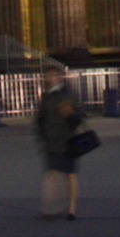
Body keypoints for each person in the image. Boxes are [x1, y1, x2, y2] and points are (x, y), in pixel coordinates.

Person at [34, 61, 84, 220]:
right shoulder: (46, 96)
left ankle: (71, 210)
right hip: (52, 140)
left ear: (58, 77)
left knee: (70, 175)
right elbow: (41, 118)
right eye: (47, 76)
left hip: (68, 139)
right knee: (51, 174)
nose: (49, 78)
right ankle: (50, 207)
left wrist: (70, 114)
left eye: (52, 76)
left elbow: (79, 114)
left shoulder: (67, 94)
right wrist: (41, 134)